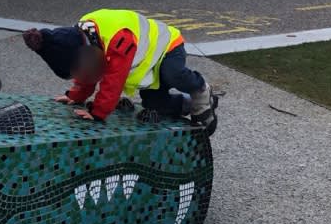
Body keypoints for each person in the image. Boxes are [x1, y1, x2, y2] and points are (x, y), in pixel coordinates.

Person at [23, 9, 218, 134]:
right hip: (147, 67)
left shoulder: (118, 39)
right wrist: (77, 95)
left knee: (172, 73)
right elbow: (87, 72)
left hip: (166, 48)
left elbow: (114, 80)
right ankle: (188, 104)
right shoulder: (82, 41)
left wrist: (99, 112)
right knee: (154, 103)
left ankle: (200, 90)